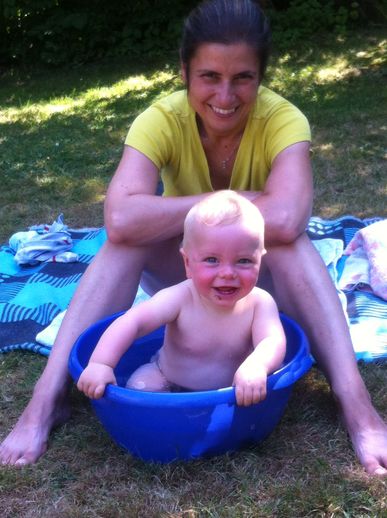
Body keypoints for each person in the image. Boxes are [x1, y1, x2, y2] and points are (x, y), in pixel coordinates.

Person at [1, 0, 386, 475]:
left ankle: (357, 407)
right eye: (209, 76)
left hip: (256, 278)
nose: (225, 95)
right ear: (184, 71)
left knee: (293, 242)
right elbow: (120, 219)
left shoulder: (284, 121)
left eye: (242, 77)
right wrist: (226, 204)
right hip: (187, 274)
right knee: (125, 242)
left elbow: (286, 219)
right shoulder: (159, 119)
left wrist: (184, 215)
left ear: (261, 77)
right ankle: (47, 398)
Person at [77, 191, 286, 405]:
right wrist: (101, 364)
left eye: (243, 261)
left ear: (260, 260)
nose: (228, 273)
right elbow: (133, 322)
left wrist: (257, 366)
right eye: (212, 260)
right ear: (187, 263)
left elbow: (272, 341)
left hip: (230, 390)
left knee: (247, 402)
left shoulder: (260, 303)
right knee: (144, 387)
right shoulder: (180, 298)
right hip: (166, 376)